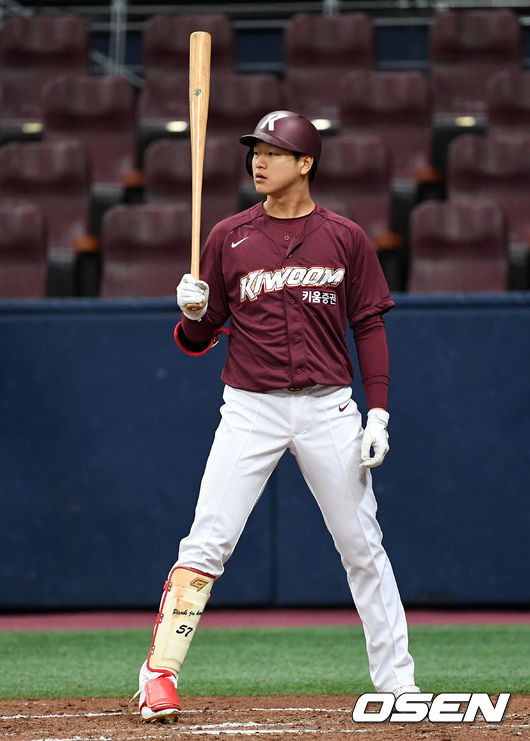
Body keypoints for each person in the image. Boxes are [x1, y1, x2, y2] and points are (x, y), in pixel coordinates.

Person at [137, 111, 419, 723]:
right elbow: (195, 341)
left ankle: (399, 685)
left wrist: (378, 412)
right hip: (250, 408)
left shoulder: (345, 236)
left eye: (272, 151)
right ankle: (158, 674)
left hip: (329, 408)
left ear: (305, 162)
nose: (258, 161)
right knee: (207, 540)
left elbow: (368, 326)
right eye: (255, 151)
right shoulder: (227, 236)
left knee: (362, 546)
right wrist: (191, 314)